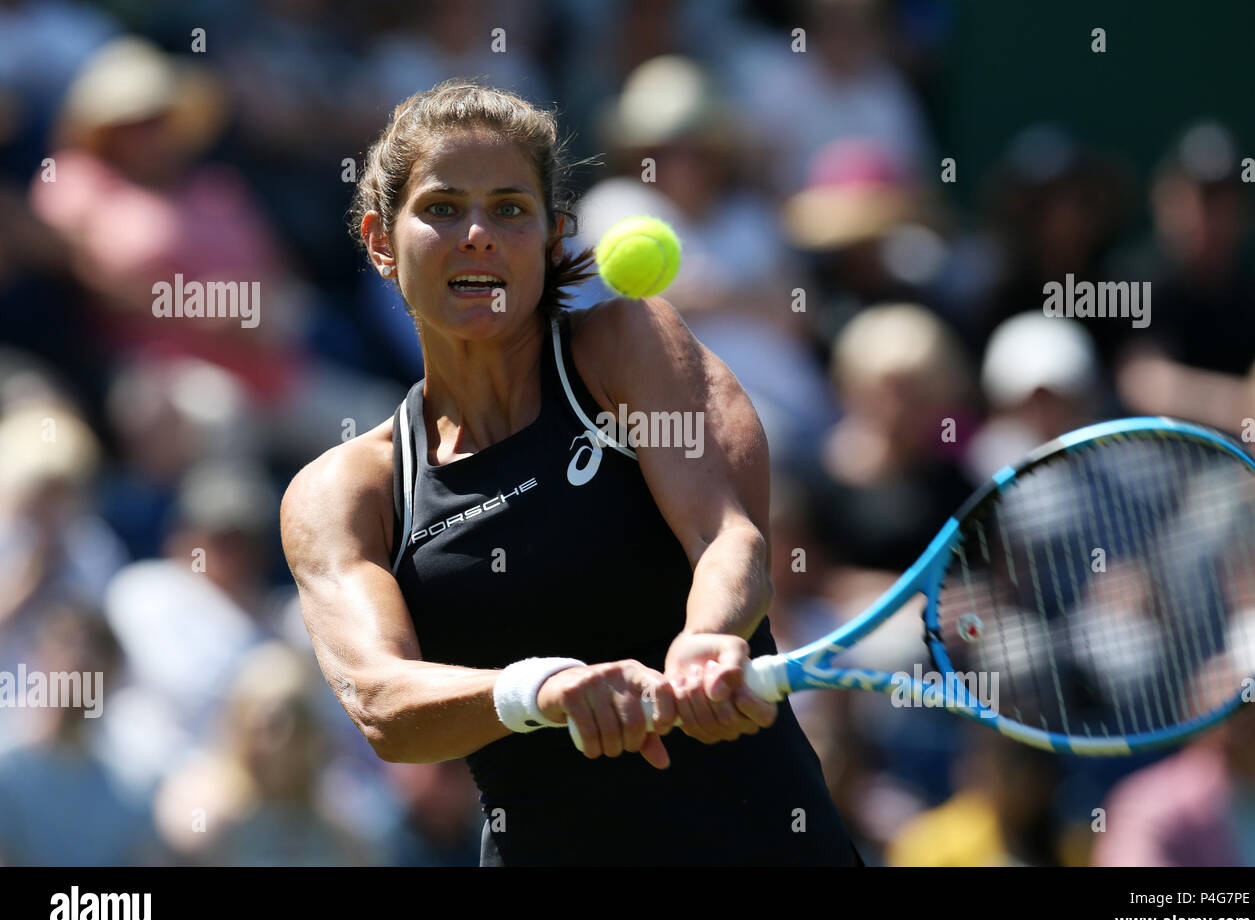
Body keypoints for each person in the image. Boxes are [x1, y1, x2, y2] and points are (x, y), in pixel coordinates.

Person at [280, 79, 859, 866]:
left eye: (510, 209)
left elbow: (726, 535)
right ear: (382, 240)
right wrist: (543, 690)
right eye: (443, 207)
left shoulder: (624, 345)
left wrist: (708, 638)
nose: (478, 234)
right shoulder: (345, 491)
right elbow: (384, 704)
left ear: (554, 240)